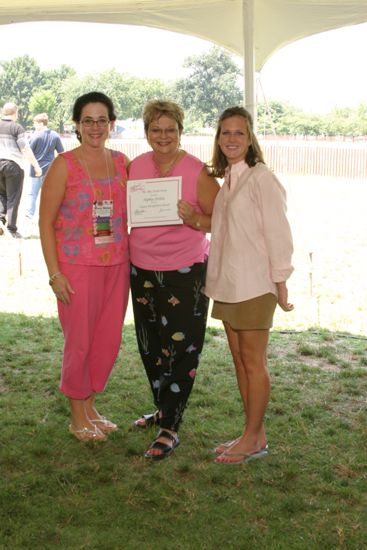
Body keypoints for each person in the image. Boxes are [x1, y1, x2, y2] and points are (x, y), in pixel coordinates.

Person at [129, 99, 220, 460]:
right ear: (147, 132)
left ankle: (170, 428)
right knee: (151, 345)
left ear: (181, 132)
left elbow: (221, 217)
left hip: (186, 271)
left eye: (170, 129)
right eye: (156, 129)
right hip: (142, 269)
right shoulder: (135, 167)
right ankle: (163, 409)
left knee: (182, 349)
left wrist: (196, 220)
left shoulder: (196, 170)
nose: (163, 136)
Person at [205, 106, 294, 465]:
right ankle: (252, 434)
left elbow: (278, 232)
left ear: (250, 137)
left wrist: (281, 280)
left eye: (238, 133)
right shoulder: (229, 179)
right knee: (240, 360)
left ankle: (253, 439)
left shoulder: (261, 178)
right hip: (229, 282)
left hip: (255, 284)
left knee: (254, 362)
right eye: (225, 133)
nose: (231, 139)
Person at [39, 92, 130, 442]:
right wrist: (54, 273)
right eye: (88, 120)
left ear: (111, 123)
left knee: (106, 341)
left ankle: (90, 406)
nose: (95, 127)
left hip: (117, 264)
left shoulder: (122, 162)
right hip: (76, 267)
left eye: (102, 120)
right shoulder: (64, 164)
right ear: (77, 125)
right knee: (79, 342)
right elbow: (45, 223)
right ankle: (77, 416)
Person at [0, 102, 41, 238]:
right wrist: (36, 165)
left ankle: (0, 222)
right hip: (13, 164)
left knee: (1, 195)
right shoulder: (16, 128)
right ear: (15, 113)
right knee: (13, 197)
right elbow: (25, 148)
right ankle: (11, 229)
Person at [24, 113, 64, 225]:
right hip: (50, 170)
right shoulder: (55, 135)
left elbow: (28, 151)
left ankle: (29, 216)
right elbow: (61, 153)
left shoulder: (35, 136)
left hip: (36, 169)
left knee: (32, 194)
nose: (34, 125)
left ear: (41, 123)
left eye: (35, 123)